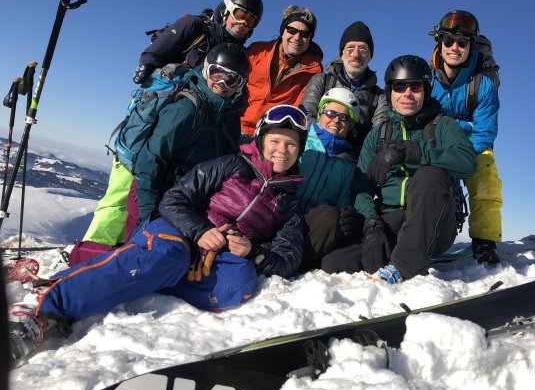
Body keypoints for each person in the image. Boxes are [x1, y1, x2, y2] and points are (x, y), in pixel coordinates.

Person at [8, 106, 309, 367]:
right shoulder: (231, 166)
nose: (282, 150)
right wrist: (201, 231)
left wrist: (254, 253)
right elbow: (174, 200)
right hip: (175, 229)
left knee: (239, 280)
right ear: (261, 140)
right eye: (275, 141)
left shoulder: (290, 204)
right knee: (170, 256)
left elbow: (288, 259)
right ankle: (43, 306)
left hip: (210, 257)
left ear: (300, 150)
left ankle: (116, 262)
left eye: (291, 144)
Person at [69, 42, 250, 265]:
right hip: (151, 191)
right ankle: (78, 254)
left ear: (240, 85)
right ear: (206, 70)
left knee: (155, 258)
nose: (221, 84)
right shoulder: (186, 109)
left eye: (231, 79)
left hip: (181, 201)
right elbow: (151, 160)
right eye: (217, 74)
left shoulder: (230, 118)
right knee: (137, 256)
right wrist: (148, 213)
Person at [320, 55, 477, 283]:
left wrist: (412, 152)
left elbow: (467, 163)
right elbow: (361, 187)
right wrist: (372, 224)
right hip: (393, 219)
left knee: (429, 175)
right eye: (400, 87)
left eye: (415, 87)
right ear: (390, 92)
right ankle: (396, 254)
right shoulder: (379, 135)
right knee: (334, 263)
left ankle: (403, 266)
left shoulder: (442, 125)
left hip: (435, 222)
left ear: (425, 91)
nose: (407, 94)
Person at [429, 10, 503, 263]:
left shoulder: (483, 85)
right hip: (435, 141)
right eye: (448, 41)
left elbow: (485, 131)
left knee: (485, 178)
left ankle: (485, 242)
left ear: (471, 47)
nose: (454, 48)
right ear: (440, 42)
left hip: (472, 145)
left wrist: (460, 157)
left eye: (462, 43)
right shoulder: (426, 80)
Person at [132, 0, 263, 85]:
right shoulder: (195, 26)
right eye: (240, 15)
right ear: (226, 10)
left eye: (252, 20)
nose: (244, 23)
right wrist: (147, 66)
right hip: (168, 92)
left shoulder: (240, 54)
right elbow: (155, 53)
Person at [297, 88, 364, 270]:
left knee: (330, 215)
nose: (336, 121)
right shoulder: (300, 141)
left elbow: (343, 203)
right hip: (286, 217)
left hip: (315, 226)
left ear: (350, 125)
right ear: (320, 114)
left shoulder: (347, 164)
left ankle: (295, 262)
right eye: (331, 113)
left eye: (344, 118)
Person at [299, 21, 388, 151]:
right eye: (350, 48)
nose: (356, 54)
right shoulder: (321, 81)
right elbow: (305, 117)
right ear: (342, 53)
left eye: (362, 49)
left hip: (354, 159)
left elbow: (379, 136)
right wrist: (330, 141)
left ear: (370, 56)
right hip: (314, 151)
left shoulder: (379, 97)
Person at [240, 5, 323, 137]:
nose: (297, 37)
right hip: (235, 126)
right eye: (291, 30)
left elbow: (300, 109)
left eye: (304, 34)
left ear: (310, 38)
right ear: (282, 31)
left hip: (269, 135)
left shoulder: (313, 71)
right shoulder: (257, 51)